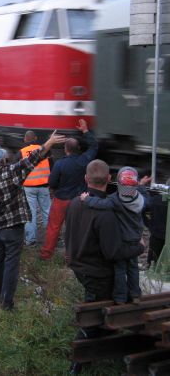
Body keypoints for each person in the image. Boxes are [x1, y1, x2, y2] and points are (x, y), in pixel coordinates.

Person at [65, 160, 145, 374]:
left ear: (85, 179)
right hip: (97, 273)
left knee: (95, 312)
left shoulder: (75, 202)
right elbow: (114, 253)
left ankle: (95, 356)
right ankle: (78, 363)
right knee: (93, 318)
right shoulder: (108, 213)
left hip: (77, 265)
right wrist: (139, 248)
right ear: (109, 179)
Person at [0, 132, 65, 310]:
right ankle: (7, 303)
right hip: (14, 228)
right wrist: (48, 142)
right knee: (11, 264)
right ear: (3, 160)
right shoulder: (11, 173)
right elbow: (31, 160)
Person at [80, 167, 149, 303]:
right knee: (133, 268)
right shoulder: (141, 200)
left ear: (119, 183)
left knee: (120, 269)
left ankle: (120, 297)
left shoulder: (115, 201)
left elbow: (99, 203)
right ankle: (135, 294)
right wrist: (141, 186)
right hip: (136, 239)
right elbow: (146, 197)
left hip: (122, 240)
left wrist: (86, 199)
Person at [40, 119, 98, 260]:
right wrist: (85, 131)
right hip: (78, 201)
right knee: (74, 230)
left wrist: (55, 189)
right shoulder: (84, 160)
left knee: (53, 228)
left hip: (61, 200)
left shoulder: (60, 164)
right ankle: (70, 256)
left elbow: (52, 182)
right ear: (78, 149)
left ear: (66, 149)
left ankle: (46, 255)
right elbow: (94, 146)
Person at [20, 130, 52, 246]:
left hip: (28, 188)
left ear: (25, 140)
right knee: (47, 212)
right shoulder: (45, 149)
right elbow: (52, 167)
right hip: (44, 186)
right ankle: (50, 239)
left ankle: (30, 240)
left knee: (30, 214)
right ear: (36, 138)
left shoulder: (21, 152)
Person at [145, 178, 170, 268]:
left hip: (156, 234)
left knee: (152, 264)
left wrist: (149, 225)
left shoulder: (155, 200)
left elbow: (142, 211)